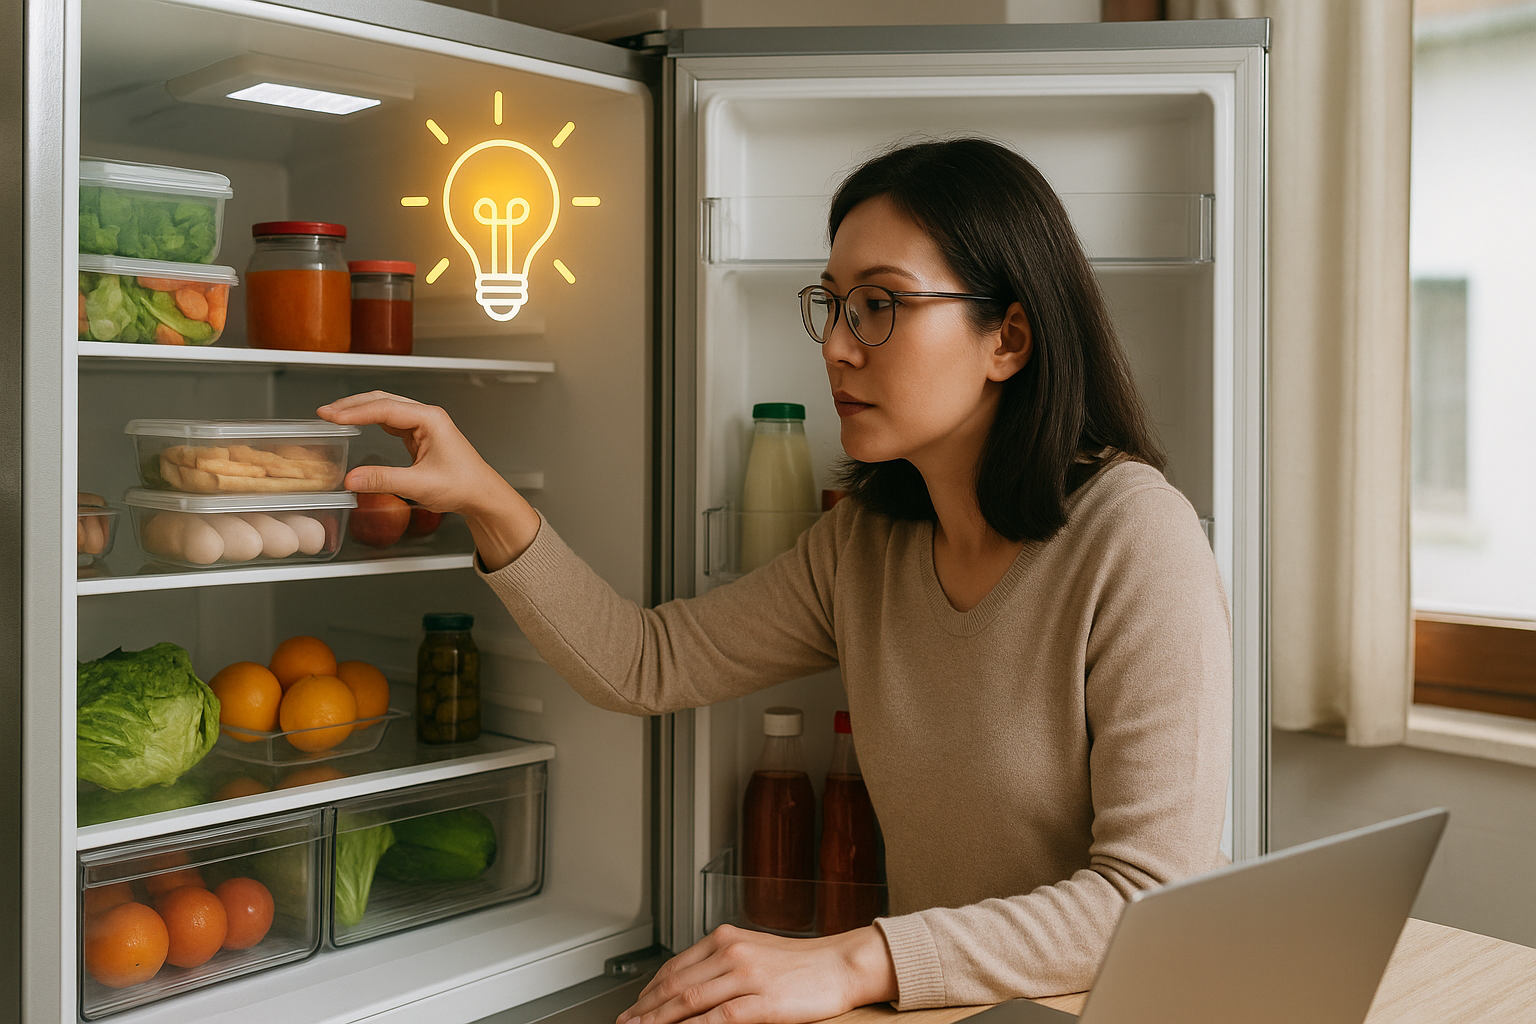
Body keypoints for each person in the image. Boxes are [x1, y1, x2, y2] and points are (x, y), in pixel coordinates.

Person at [319, 138, 1230, 1024]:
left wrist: (853, 956)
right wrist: (488, 498)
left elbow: (1149, 893)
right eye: (832, 305)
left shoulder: (1134, 536)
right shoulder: (867, 545)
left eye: (880, 306)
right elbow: (645, 664)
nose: (837, 346)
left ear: (1010, 338)